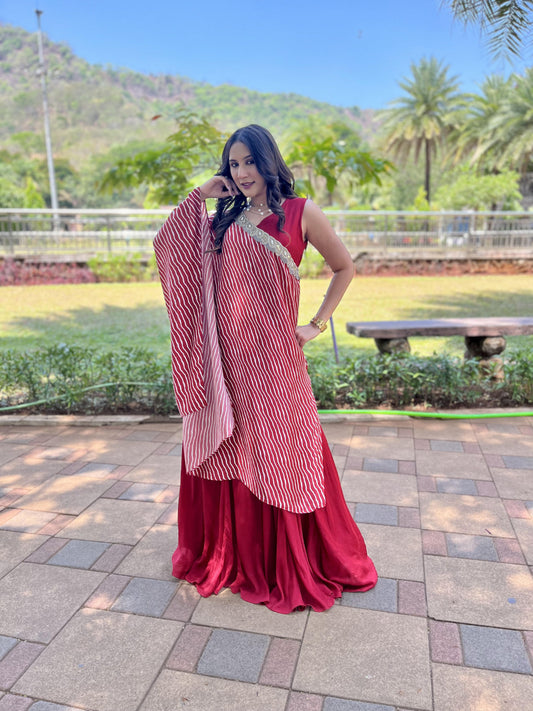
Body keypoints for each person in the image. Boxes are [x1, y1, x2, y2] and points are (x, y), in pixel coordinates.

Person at [154, 124, 377, 613]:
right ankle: (236, 555)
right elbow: (171, 250)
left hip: (275, 361)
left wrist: (315, 325)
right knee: (234, 446)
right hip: (226, 361)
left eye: (249, 161)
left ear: (269, 160)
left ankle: (288, 560)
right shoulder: (223, 218)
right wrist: (201, 194)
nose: (242, 172)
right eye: (233, 164)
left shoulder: (300, 213)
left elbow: (345, 267)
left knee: (283, 450)